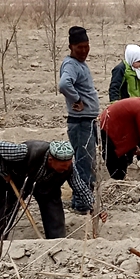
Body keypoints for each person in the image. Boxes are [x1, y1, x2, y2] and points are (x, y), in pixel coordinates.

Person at [0, 140, 101, 240]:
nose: (66, 169)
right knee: (4, 211)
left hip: (47, 187)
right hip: (17, 179)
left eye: (68, 165)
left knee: (55, 217)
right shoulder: (26, 151)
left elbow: (79, 187)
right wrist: (3, 172)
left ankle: (56, 244)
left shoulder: (69, 168)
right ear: (50, 160)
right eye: (62, 166)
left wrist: (93, 206)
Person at [58, 26, 99, 210]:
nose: (84, 51)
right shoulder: (71, 64)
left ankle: (82, 202)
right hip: (81, 123)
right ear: (70, 47)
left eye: (86, 46)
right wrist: (77, 100)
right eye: (79, 48)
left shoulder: (79, 64)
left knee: (86, 162)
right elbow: (64, 84)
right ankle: (82, 205)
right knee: (83, 164)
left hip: (86, 122)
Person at [109, 44, 140, 171]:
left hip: (138, 107)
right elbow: (114, 88)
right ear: (132, 58)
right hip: (126, 107)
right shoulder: (120, 69)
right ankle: (127, 160)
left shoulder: (137, 70)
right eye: (139, 61)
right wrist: (115, 105)